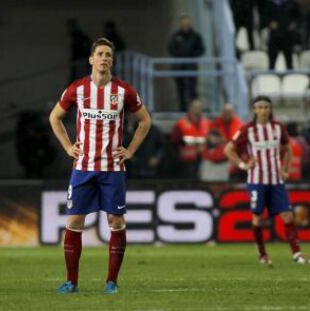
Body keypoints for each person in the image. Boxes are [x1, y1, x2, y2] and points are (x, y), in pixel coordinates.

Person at [49, 38, 151, 294]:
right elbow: (55, 118)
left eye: (108, 55)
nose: (104, 58)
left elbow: (145, 121)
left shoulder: (124, 91)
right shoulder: (78, 89)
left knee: (116, 222)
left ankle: (111, 282)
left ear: (111, 62)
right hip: (83, 168)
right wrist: (67, 146)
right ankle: (71, 282)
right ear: (91, 60)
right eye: (100, 54)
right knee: (74, 221)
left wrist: (130, 150)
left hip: (112, 169)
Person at [224, 95, 308, 265]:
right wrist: (242, 164)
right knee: (258, 217)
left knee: (287, 215)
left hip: (276, 180)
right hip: (257, 180)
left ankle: (297, 254)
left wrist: (285, 169)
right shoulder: (247, 129)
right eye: (260, 107)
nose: (263, 110)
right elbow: (228, 149)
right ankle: (262, 254)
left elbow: (288, 149)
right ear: (254, 110)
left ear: (270, 110)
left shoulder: (278, 128)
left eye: (266, 107)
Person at [167, 15, 205, 112]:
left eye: (187, 23)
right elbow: (171, 49)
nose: (186, 25)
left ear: (191, 24)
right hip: (179, 67)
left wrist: (191, 56)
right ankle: (182, 110)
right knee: (180, 90)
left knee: (192, 90)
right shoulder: (175, 36)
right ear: (181, 24)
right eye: (184, 23)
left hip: (191, 67)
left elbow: (201, 49)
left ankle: (194, 110)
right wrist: (180, 56)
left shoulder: (196, 36)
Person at [170, 99, 210, 179]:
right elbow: (173, 142)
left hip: (203, 160)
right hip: (186, 161)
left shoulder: (207, 123)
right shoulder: (181, 124)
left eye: (199, 108)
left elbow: (209, 140)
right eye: (195, 107)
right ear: (190, 108)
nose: (197, 110)